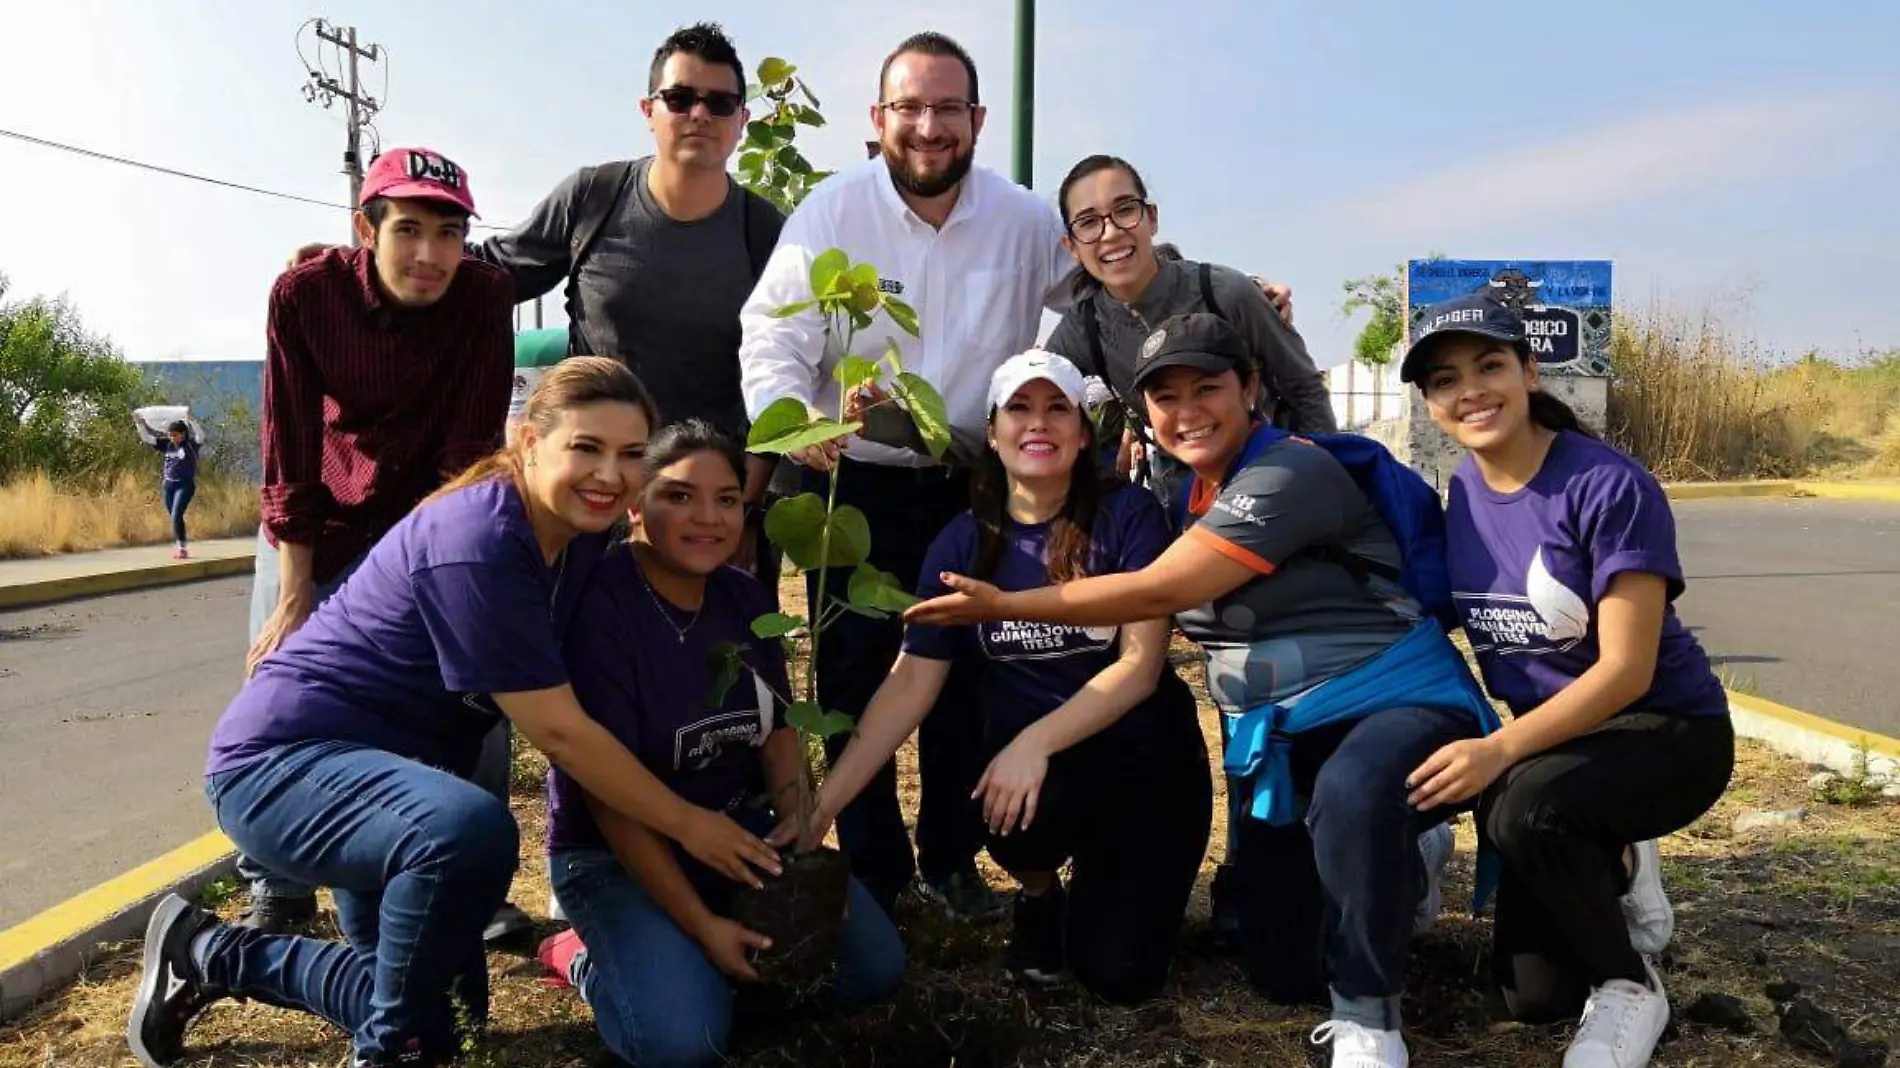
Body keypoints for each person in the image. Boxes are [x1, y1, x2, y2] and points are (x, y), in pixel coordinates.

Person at [739, 30, 1296, 922]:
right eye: (909, 109)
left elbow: (1110, 271)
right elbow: (773, 332)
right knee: (854, 671)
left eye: (948, 109)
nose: (928, 127)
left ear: (977, 120)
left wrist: (1219, 295)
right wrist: (794, 418)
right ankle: (874, 872)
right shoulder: (831, 213)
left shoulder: (1022, 217)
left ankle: (952, 861)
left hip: (975, 482)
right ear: (878, 118)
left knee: (968, 681)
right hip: (860, 480)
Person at [126, 358, 784, 1068]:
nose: (609, 474)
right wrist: (690, 824)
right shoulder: (481, 540)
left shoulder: (581, 537)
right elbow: (560, 733)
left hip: (392, 790)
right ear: (530, 441)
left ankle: (203, 949)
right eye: (585, 448)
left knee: (442, 1014)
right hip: (284, 768)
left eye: (630, 455)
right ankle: (386, 1057)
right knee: (468, 835)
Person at [905, 314, 1502, 1068]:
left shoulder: (1290, 472)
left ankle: (1369, 1024)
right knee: (1283, 973)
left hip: (1387, 701)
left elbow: (1161, 589)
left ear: (1250, 388)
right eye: (1165, 396)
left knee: (1355, 793)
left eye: (1207, 389)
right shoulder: (1188, 494)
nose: (1186, 411)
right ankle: (1396, 858)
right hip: (1285, 739)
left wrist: (1004, 605)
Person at [781, 352, 1211, 1001]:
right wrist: (823, 808)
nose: (1038, 423)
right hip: (1037, 777)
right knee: (1001, 796)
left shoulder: (1129, 515)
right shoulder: (963, 540)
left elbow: (1140, 668)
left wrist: (1036, 741)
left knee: (1119, 978)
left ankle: (1111, 876)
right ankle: (1038, 896)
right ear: (991, 431)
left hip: (1140, 757)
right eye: (1019, 408)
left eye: (1056, 407)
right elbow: (909, 684)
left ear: (1083, 427)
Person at [1399, 294, 1735, 1068]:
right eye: (1446, 379)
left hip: (1665, 731)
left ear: (1529, 370)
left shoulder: (1608, 485)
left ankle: (1630, 988)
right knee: (1535, 998)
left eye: (1490, 366)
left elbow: (1627, 671)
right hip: (1557, 745)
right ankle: (1615, 857)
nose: (1470, 391)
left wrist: (1496, 752)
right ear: (1430, 403)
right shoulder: (1462, 499)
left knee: (1521, 809)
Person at [535, 419, 904, 1067]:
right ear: (634, 504)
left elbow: (778, 731)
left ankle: (695, 972)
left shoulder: (745, 596)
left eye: (727, 499)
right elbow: (609, 801)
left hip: (734, 835)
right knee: (683, 1042)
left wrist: (798, 830)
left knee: (873, 971)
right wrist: (703, 928)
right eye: (678, 495)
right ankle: (589, 960)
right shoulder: (601, 609)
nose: (708, 517)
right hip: (614, 852)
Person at [1043, 153, 1335, 467]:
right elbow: (1037, 399)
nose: (1111, 232)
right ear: (1071, 246)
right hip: (1178, 492)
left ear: (1152, 218)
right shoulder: (1083, 329)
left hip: (1268, 470)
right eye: (1087, 222)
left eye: (1125, 209)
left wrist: (1325, 481)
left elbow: (1304, 388)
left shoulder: (1226, 293)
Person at [139, 416, 201, 559]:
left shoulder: (191, 445)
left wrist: (192, 420)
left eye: (175, 435)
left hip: (185, 485)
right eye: (170, 435)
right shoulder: (167, 444)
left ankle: (182, 548)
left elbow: (201, 436)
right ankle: (181, 542)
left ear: (182, 434)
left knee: (176, 515)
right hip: (168, 485)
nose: (172, 438)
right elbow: (147, 438)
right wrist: (139, 423)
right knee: (174, 517)